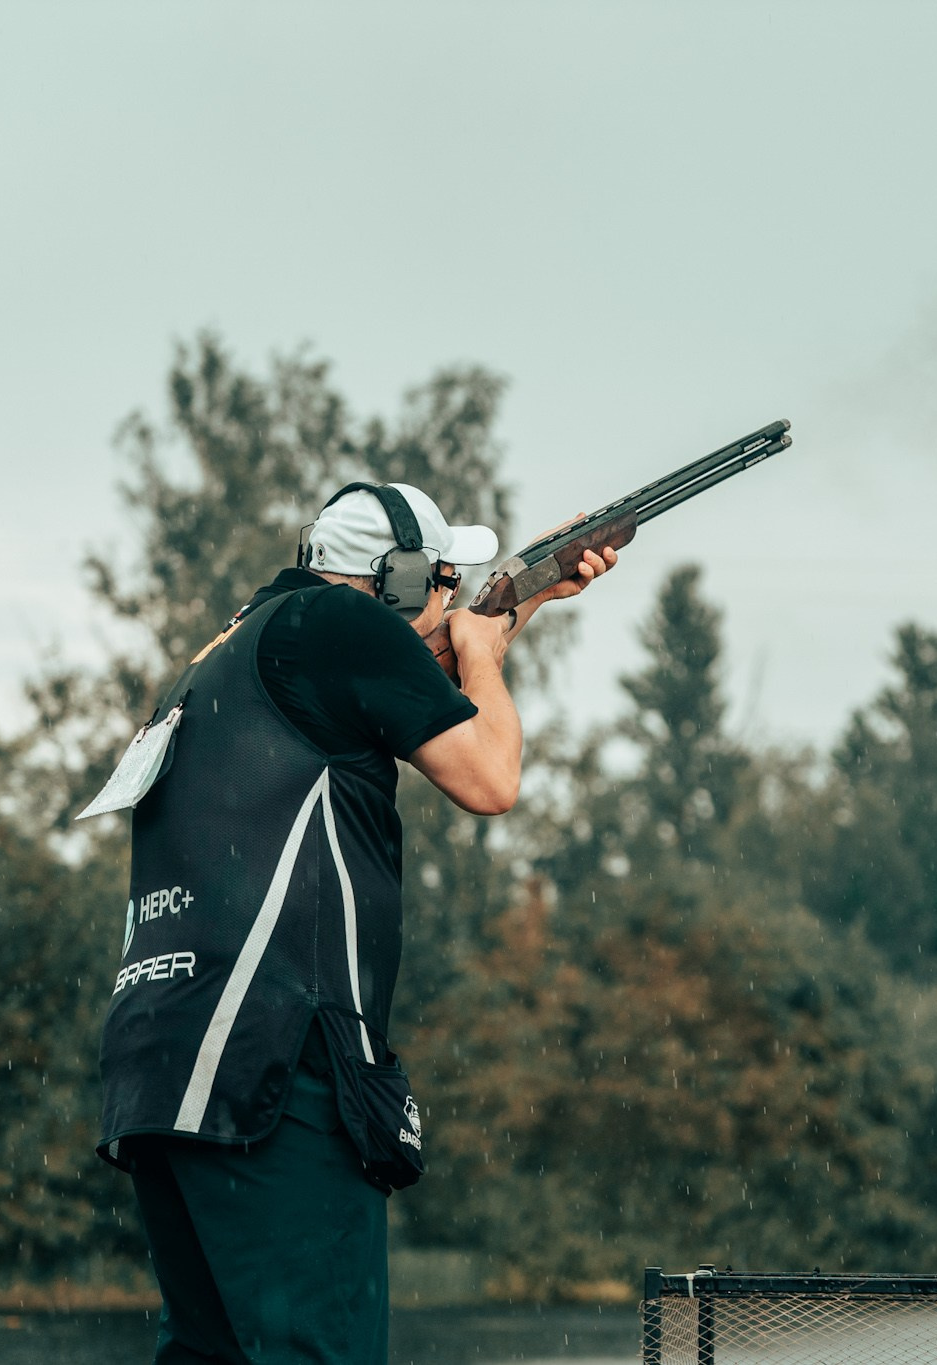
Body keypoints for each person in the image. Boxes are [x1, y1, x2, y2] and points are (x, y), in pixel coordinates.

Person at [90, 481, 616, 1363]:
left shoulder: (240, 645)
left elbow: (405, 691)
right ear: (400, 582)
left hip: (165, 1068)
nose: (452, 600)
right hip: (276, 1064)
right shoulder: (340, 628)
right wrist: (483, 650)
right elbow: (490, 778)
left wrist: (520, 606)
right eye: (445, 581)